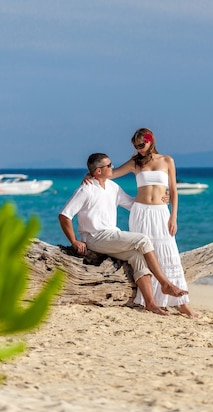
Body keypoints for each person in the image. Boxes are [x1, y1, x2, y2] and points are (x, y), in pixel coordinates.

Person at [87, 128, 198, 318]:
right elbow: (110, 174)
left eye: (141, 145)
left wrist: (174, 216)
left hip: (161, 213)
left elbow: (173, 190)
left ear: (150, 141)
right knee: (145, 254)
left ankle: (181, 304)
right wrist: (90, 175)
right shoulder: (134, 163)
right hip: (141, 212)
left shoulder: (167, 160)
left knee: (169, 253)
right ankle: (151, 300)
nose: (139, 149)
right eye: (136, 146)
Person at [59, 152, 188, 316]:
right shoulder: (86, 189)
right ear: (98, 171)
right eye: (108, 165)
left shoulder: (112, 187)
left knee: (138, 257)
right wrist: (74, 241)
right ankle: (165, 283)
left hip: (111, 236)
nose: (112, 167)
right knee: (143, 240)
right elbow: (64, 215)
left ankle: (150, 303)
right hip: (94, 238)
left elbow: (133, 204)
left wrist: (160, 198)